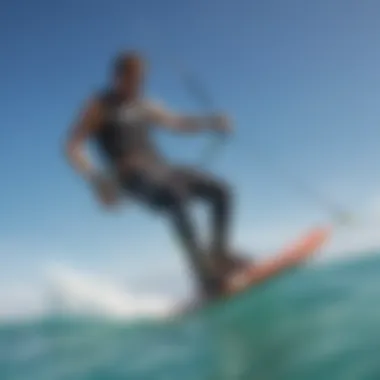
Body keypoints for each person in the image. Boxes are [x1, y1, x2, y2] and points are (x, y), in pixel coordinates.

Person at [65, 51, 244, 302]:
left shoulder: (145, 104)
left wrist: (212, 122)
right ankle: (205, 279)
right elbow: (72, 146)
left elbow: (177, 122)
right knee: (176, 199)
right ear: (118, 77)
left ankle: (220, 256)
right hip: (131, 177)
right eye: (133, 78)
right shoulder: (99, 105)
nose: (138, 84)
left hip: (163, 169)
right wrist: (97, 180)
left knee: (221, 191)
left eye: (142, 79)